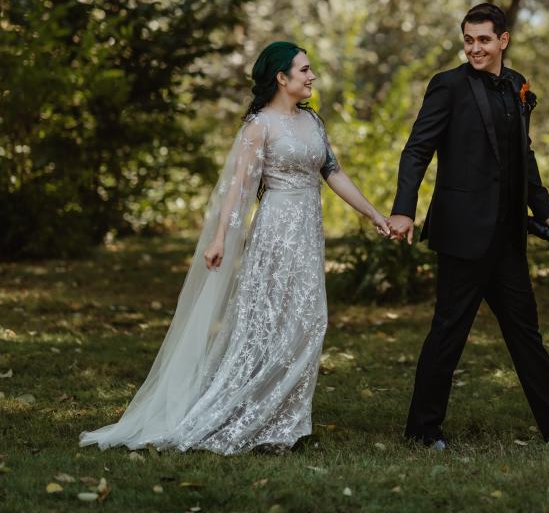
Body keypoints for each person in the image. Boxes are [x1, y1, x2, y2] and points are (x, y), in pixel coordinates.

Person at [80, 41, 390, 454]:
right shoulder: (258, 127)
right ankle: (247, 417)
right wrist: (220, 238)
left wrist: (374, 214)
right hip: (276, 230)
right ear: (281, 78)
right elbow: (239, 188)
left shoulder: (314, 122)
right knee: (269, 325)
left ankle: (285, 422)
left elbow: (334, 173)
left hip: (308, 234)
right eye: (304, 70)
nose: (312, 76)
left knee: (309, 320)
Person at [387, 3, 549, 448]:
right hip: (463, 233)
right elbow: (417, 151)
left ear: (503, 41)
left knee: (526, 333)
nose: (475, 48)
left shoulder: (516, 86)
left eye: (484, 40)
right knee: (448, 333)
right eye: (469, 39)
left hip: (508, 236)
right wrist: (403, 209)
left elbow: (522, 156)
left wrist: (545, 211)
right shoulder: (447, 86)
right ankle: (421, 430)